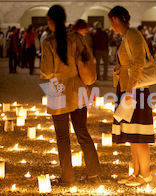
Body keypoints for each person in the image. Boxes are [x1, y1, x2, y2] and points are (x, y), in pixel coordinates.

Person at [40, 5, 101, 186]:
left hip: (56, 89)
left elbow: (46, 71)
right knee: (82, 132)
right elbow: (87, 60)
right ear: (65, 20)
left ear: (50, 21)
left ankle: (67, 176)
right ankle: (94, 174)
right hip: (79, 89)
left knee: (62, 137)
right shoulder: (77, 38)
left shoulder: (49, 42)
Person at [108, 6, 154, 187]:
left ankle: (145, 174)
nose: (111, 25)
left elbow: (139, 63)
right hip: (128, 88)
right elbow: (129, 63)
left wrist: (130, 88)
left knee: (139, 132)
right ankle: (136, 171)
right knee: (132, 133)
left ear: (116, 20)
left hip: (135, 90)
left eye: (111, 21)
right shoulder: (127, 36)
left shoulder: (133, 35)